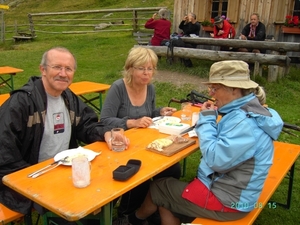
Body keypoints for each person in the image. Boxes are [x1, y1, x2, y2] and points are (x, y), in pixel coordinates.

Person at [126, 60, 284, 225]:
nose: (211, 94)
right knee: (168, 197)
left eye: (215, 88)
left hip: (231, 202)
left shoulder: (244, 123)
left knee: (160, 187)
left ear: (235, 89)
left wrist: (207, 120)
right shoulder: (250, 112)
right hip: (238, 192)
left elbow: (215, 160)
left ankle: (132, 220)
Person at [0, 47, 129, 223]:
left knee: (113, 185)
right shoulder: (21, 103)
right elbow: (4, 152)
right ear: (43, 70)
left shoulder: (68, 97)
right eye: (57, 67)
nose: (63, 73)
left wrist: (105, 133)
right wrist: (33, 180)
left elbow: (87, 124)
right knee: (82, 210)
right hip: (33, 177)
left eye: (68, 69)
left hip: (65, 171)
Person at [100, 46, 180, 225]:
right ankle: (126, 214)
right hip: (120, 146)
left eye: (150, 69)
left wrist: (160, 111)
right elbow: (104, 120)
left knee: (173, 169)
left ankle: (158, 204)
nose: (146, 73)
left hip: (144, 143)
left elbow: (149, 113)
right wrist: (131, 123)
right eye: (141, 68)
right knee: (140, 173)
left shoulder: (149, 88)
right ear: (130, 68)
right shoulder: (118, 88)